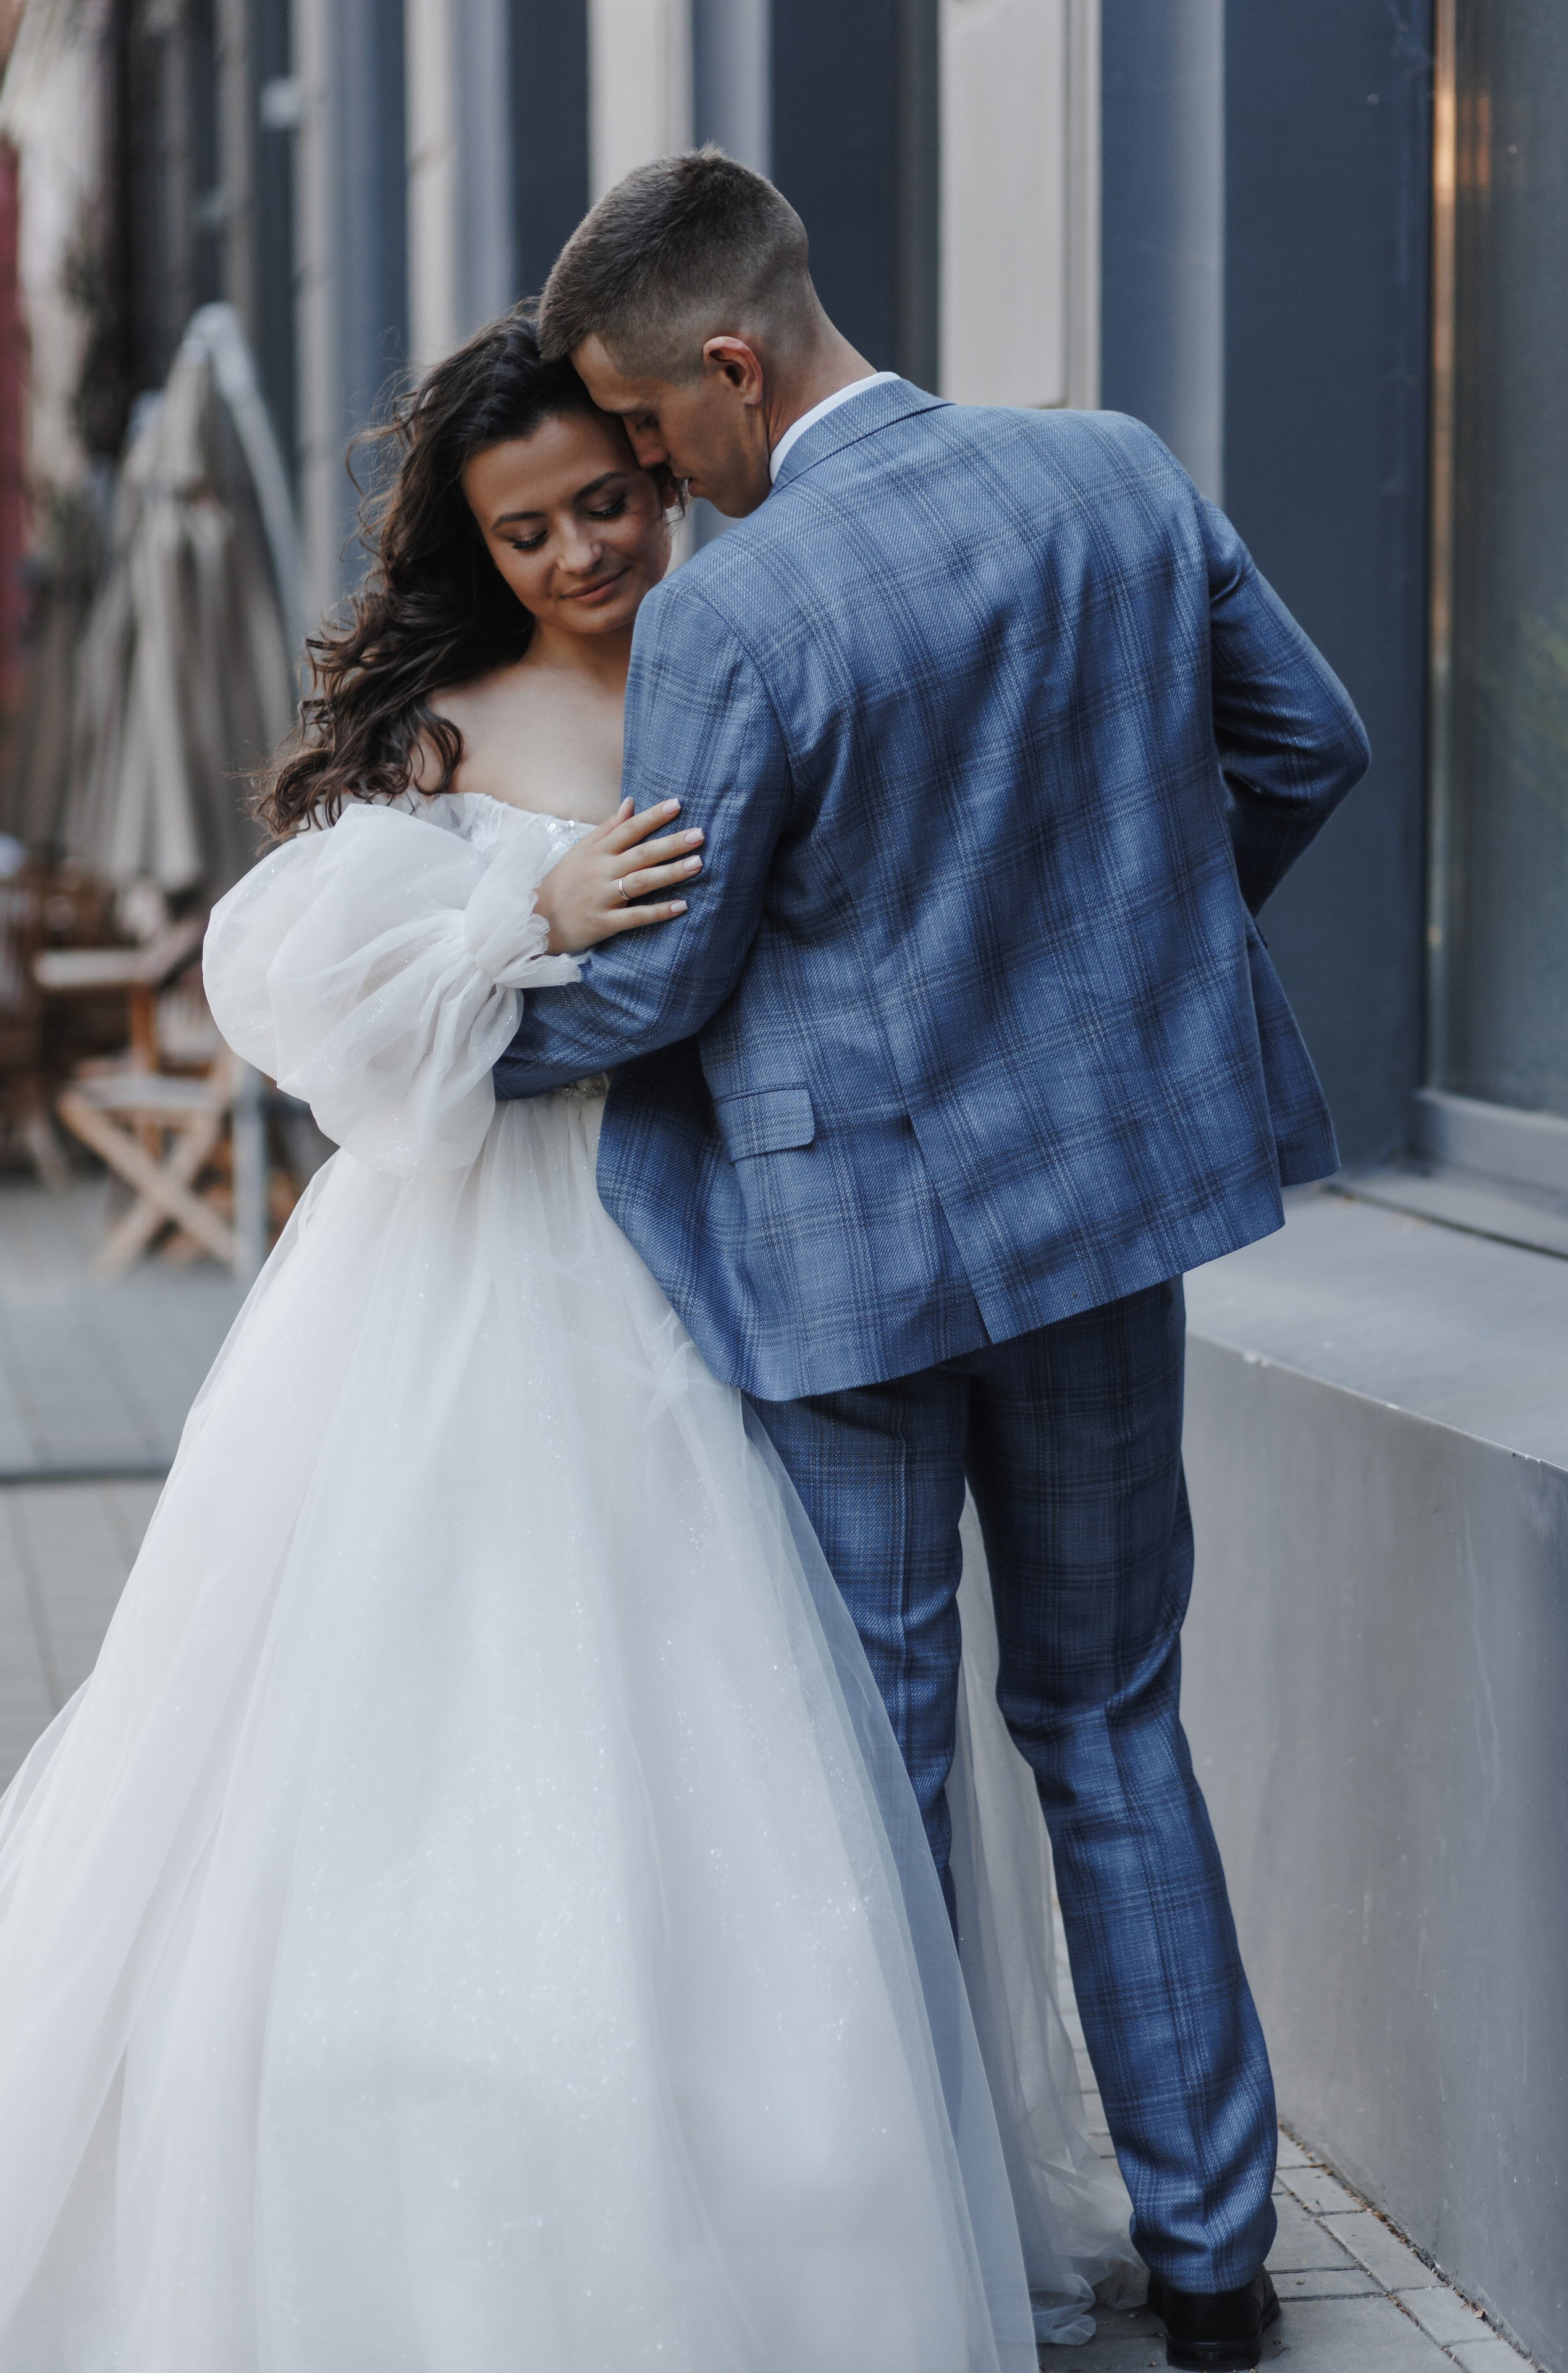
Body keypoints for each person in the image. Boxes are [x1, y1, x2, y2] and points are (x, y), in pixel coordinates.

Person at [0, 314, 1133, 2371]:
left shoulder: (760, 641)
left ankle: (806, 2193)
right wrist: (527, 918)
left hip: (727, 1248)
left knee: (759, 1727)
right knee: (453, 1703)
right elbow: (304, 1002)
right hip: (471, 1258)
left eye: (601, 505)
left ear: (663, 461)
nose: (575, 558)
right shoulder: (442, 724)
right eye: (521, 533)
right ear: (471, 544)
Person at [492, 150, 1371, 2373]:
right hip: (1103, 1221)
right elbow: (1310, 746)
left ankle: (917, 2284)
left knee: (869, 1765)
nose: (647, 483)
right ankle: (1215, 2272)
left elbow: (666, 987)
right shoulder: (1116, 475)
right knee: (1110, 1720)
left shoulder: (735, 619)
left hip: (846, 1259)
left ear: (725, 364)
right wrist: (1132, 979)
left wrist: (466, 1025)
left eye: (650, 430)